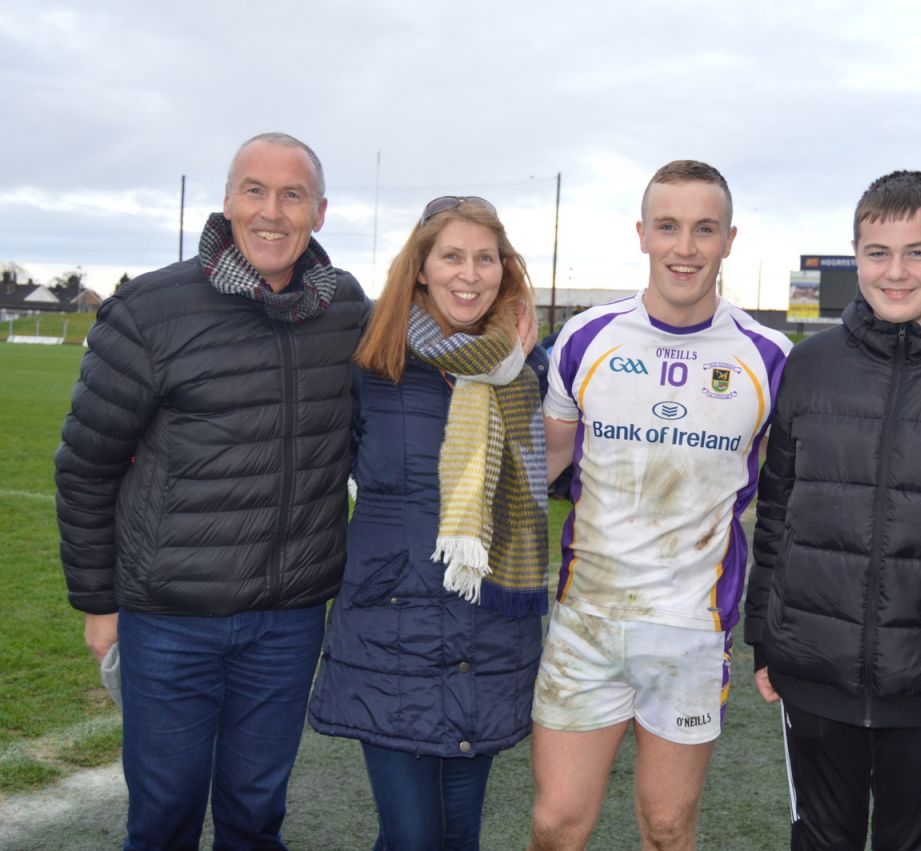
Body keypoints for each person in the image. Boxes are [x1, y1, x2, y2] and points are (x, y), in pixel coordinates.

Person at [53, 132, 368, 848]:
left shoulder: (345, 308)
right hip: (170, 617)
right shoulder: (150, 311)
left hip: (287, 620)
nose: (272, 211)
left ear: (319, 211)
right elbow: (86, 465)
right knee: (164, 814)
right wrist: (98, 604)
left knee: (256, 814)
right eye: (254, 190)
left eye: (292, 195)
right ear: (227, 203)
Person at [745, 169, 921, 850]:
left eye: (918, 252)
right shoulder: (811, 363)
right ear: (855, 253)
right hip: (815, 671)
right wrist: (766, 635)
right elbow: (778, 508)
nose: (895, 271)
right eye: (878, 252)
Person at [529, 160, 792, 850]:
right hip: (586, 621)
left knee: (669, 827)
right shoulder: (587, 339)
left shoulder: (770, 358)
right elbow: (541, 465)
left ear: (728, 238)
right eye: (668, 226)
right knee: (557, 823)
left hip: (691, 630)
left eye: (703, 229)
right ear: (642, 233)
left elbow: (791, 495)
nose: (685, 246)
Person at [307, 196, 548, 849]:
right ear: (420, 267)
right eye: (451, 256)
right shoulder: (371, 364)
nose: (469, 273)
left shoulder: (527, 367)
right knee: (413, 837)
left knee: (457, 835)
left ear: (504, 268)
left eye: (485, 257)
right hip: (393, 630)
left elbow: (546, 479)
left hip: (490, 630)